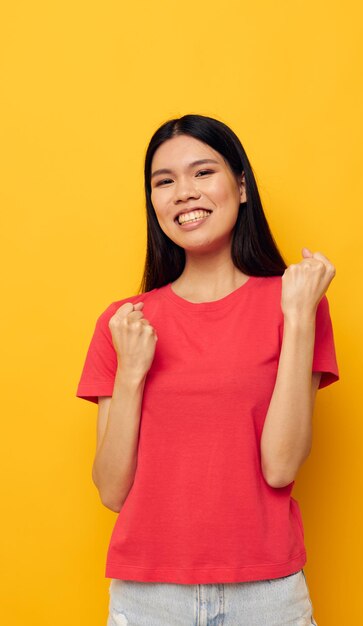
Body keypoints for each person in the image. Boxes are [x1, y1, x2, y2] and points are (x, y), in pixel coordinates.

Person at [76, 113, 339, 626]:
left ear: (241, 187)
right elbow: (111, 491)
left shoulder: (295, 302)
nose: (183, 193)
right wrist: (131, 373)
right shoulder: (125, 322)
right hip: (149, 596)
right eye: (164, 181)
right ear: (153, 202)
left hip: (266, 594)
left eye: (203, 173)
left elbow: (281, 467)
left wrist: (298, 317)